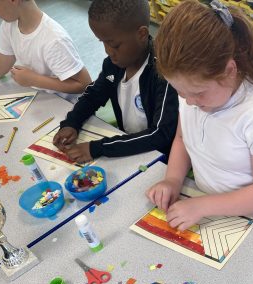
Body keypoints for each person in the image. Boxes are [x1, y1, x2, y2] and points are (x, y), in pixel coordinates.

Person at [146, 0, 253, 236]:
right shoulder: (193, 90)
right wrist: (173, 180)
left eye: (197, 93)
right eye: (180, 92)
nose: (189, 102)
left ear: (229, 70)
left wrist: (202, 206)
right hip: (213, 209)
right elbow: (182, 138)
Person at [52, 0, 178, 163]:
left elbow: (161, 135)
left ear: (141, 34)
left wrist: (98, 148)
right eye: (102, 42)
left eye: (115, 45)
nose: (108, 51)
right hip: (126, 145)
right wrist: (72, 122)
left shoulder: (164, 72)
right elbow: (93, 96)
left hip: (160, 158)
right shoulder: (113, 64)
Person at [0, 0, 91, 96]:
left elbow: (84, 84)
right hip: (35, 93)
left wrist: (35, 80)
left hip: (61, 101)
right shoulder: (8, 25)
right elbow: (1, 64)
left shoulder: (55, 40)